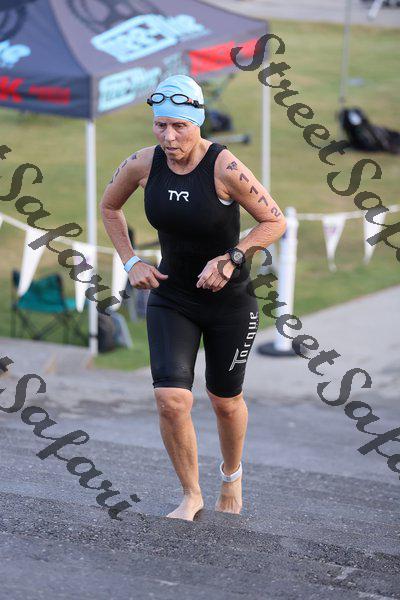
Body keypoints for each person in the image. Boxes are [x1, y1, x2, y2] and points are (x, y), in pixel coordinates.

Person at [100, 74, 286, 522]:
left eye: (179, 126)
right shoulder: (143, 164)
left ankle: (231, 474)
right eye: (160, 125)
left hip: (229, 303)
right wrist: (130, 261)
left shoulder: (224, 167)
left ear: (197, 123)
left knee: (224, 401)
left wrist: (232, 257)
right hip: (172, 297)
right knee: (171, 400)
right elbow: (109, 207)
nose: (168, 137)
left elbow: (274, 220)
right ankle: (191, 494)